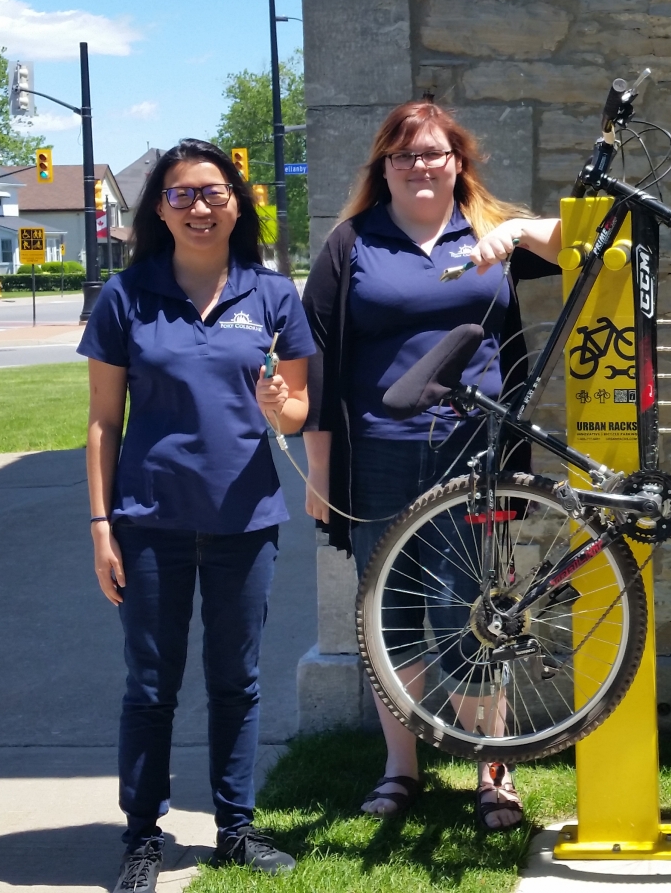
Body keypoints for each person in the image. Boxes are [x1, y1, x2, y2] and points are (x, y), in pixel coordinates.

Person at [301, 100, 561, 831]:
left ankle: (491, 769)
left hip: (474, 455)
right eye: (404, 154)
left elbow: (592, 238)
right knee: (393, 614)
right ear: (382, 167)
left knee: (477, 611)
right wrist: (321, 469)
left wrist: (514, 230)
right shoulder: (353, 244)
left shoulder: (486, 234)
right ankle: (401, 767)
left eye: (434, 153)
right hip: (378, 455)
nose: (420, 165)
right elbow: (317, 359)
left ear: (459, 163)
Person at [80, 139, 315, 893]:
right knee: (151, 684)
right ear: (159, 209)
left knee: (235, 680)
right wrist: (101, 526)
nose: (199, 207)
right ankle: (142, 836)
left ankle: (235, 828)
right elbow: (101, 422)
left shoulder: (272, 295)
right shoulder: (127, 296)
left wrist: (284, 407)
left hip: (245, 525)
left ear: (238, 203)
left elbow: (300, 408)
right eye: (181, 195)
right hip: (149, 522)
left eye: (212, 193)